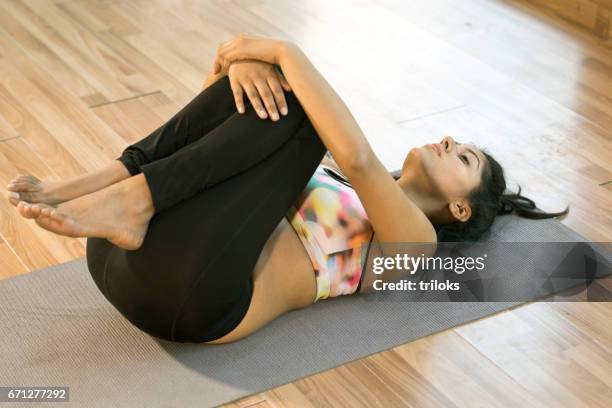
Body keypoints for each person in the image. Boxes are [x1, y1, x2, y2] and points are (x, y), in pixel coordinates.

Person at [6, 36, 568, 345]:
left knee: (298, 106)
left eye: (463, 156)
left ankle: (128, 193)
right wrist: (239, 66)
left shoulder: (414, 248)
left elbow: (358, 155)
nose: (448, 140)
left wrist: (283, 50)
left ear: (460, 207)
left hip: (188, 299)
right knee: (268, 94)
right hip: (118, 255)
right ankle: (116, 184)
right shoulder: (323, 168)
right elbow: (209, 140)